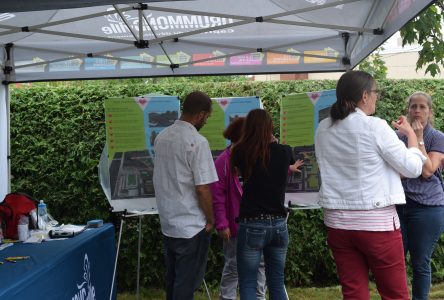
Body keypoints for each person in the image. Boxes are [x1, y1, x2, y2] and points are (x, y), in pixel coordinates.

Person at [314, 70, 427, 300]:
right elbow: (413, 168)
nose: (377, 97)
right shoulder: (375, 126)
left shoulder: (322, 129)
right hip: (376, 224)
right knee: (395, 294)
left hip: (338, 224)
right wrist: (411, 136)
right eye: (375, 92)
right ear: (364, 96)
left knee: (354, 293)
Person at [153, 91, 218, 300]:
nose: (206, 121)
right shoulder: (197, 142)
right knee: (186, 284)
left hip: (168, 222)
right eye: (207, 117)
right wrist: (210, 220)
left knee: (172, 280)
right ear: (200, 115)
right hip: (191, 226)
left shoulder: (161, 137)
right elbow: (202, 188)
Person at [231, 109, 302, 300]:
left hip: (252, 222)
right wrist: (274, 142)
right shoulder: (284, 151)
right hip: (279, 224)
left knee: (247, 282)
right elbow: (286, 162)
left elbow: (238, 171)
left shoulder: (240, 151)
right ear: (270, 128)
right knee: (276, 282)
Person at [211, 117, 267, 300]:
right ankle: (227, 297)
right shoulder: (222, 162)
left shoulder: (256, 156)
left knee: (260, 264)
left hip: (257, 223)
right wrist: (222, 224)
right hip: (235, 227)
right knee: (233, 266)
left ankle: (259, 297)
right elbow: (217, 197)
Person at [396, 92, 444, 300]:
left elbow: (427, 171)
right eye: (413, 106)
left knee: (420, 262)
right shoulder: (397, 137)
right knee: (395, 260)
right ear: (408, 110)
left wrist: (419, 139)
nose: (417, 110)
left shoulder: (437, 137)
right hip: (399, 205)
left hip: (428, 208)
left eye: (422, 107)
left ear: (430, 112)